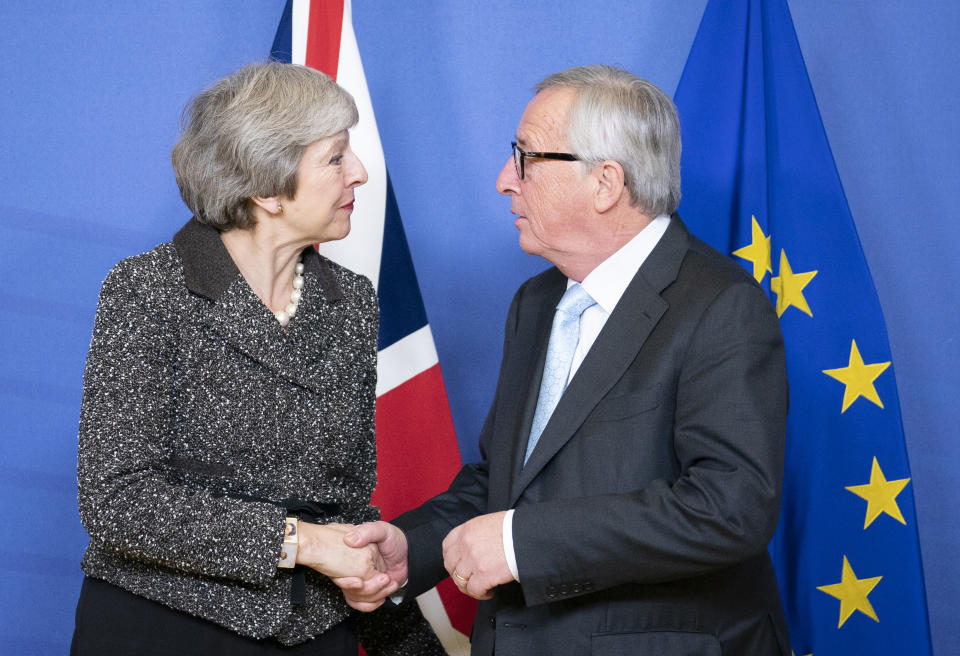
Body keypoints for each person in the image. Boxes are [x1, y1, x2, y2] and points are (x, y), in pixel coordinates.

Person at [337, 65, 793, 655]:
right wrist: (412, 549)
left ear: (606, 182)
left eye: (526, 157)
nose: (505, 179)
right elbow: (504, 482)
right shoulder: (538, 301)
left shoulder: (722, 306)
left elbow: (729, 509)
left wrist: (520, 543)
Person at [71, 62, 442, 655]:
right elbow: (120, 502)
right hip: (166, 629)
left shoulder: (351, 303)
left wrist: (398, 623)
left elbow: (342, 502)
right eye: (336, 158)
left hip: (316, 631)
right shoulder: (148, 290)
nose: (362, 174)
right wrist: (301, 543)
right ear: (266, 187)